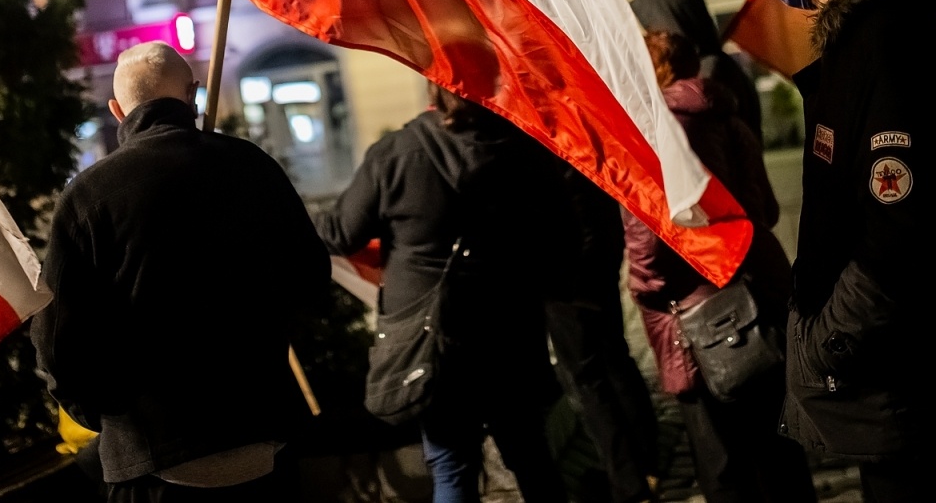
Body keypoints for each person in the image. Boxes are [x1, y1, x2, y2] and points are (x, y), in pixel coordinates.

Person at [753, 0, 936, 502]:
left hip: (902, 374)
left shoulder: (886, 41)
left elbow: (898, 234)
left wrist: (827, 341)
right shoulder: (856, 41)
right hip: (892, 374)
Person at [32, 42, 331, 501]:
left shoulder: (89, 197)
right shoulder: (253, 167)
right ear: (192, 94)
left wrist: (104, 415)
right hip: (262, 440)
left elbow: (57, 340)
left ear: (117, 110)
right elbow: (310, 278)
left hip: (153, 456)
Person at [316, 84, 570, 503]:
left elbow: (341, 233)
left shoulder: (397, 153)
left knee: (451, 463)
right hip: (512, 328)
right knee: (531, 455)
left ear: (434, 88)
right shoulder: (524, 150)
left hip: (435, 339)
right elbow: (563, 234)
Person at [625, 30, 816, 503]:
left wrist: (644, 286)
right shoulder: (728, 117)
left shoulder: (654, 131)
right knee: (780, 448)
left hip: (697, 315)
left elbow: (647, 238)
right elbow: (765, 208)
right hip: (759, 292)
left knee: (722, 461)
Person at [545, 161, 661, 503]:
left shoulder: (546, 146)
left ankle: (628, 480)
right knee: (614, 358)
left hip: (568, 275)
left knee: (589, 377)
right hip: (597, 258)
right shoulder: (576, 138)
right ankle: (646, 460)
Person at [631, 0, 763, 140]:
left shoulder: (708, 71)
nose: (655, 37)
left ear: (670, 19)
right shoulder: (717, 63)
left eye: (653, 26)